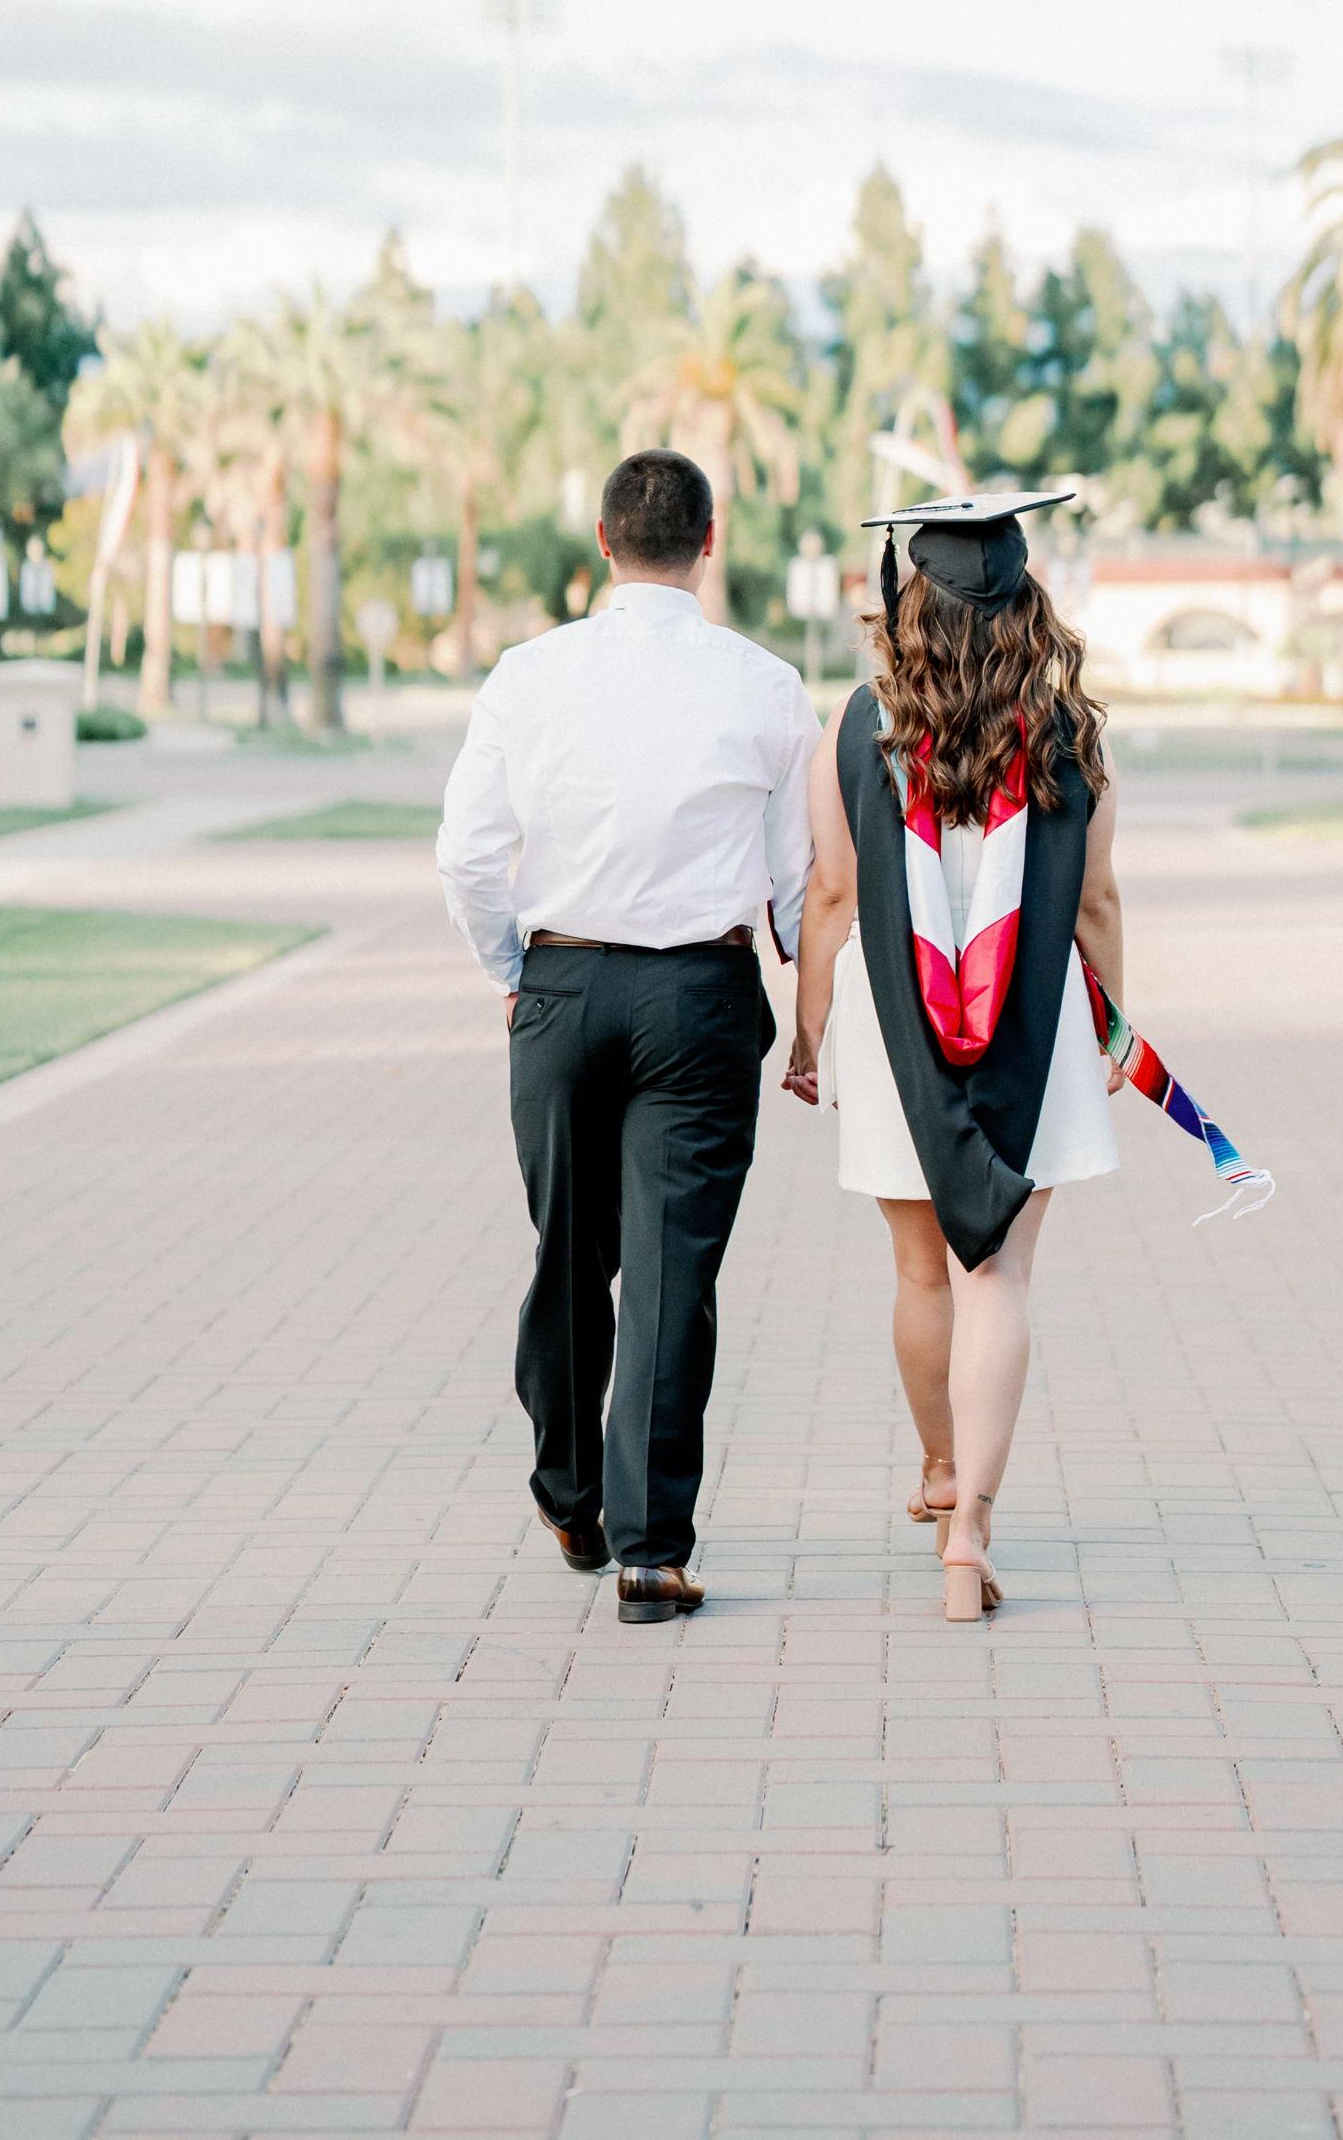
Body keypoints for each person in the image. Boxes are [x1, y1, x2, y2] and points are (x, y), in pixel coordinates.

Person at [435, 448, 818, 1626]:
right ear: (710, 542)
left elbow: (465, 855)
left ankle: (569, 1492)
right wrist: (809, 1016)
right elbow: (798, 881)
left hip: (560, 989)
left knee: (569, 1249)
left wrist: (514, 975)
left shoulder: (526, 675)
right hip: (701, 998)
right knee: (668, 1272)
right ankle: (651, 1556)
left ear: (602, 542)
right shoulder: (767, 687)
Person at [781, 484, 1126, 1622]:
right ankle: (970, 1527)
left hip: (896, 1027)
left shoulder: (859, 724)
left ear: (910, 600)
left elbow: (832, 893)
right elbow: (1096, 902)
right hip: (1033, 1022)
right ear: (1028, 601)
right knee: (1001, 1275)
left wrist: (811, 1029)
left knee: (923, 1271)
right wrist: (1115, 1023)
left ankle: (939, 1468)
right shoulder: (1069, 731)